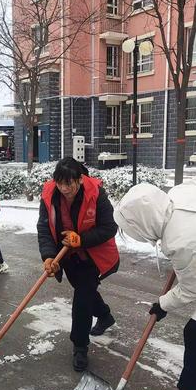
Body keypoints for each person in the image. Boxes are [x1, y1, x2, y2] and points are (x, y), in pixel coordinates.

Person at [114, 171, 196, 390]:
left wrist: (162, 304)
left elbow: (192, 289)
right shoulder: (179, 193)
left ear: (143, 223)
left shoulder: (180, 240)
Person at [37, 157, 119, 372]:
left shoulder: (96, 195)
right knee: (85, 290)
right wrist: (47, 256)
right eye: (60, 183)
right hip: (67, 256)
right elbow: (44, 229)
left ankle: (80, 347)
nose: (64, 189)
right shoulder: (48, 196)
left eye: (69, 183)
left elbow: (109, 227)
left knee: (82, 298)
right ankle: (104, 316)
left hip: (91, 255)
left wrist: (81, 240)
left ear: (80, 180)